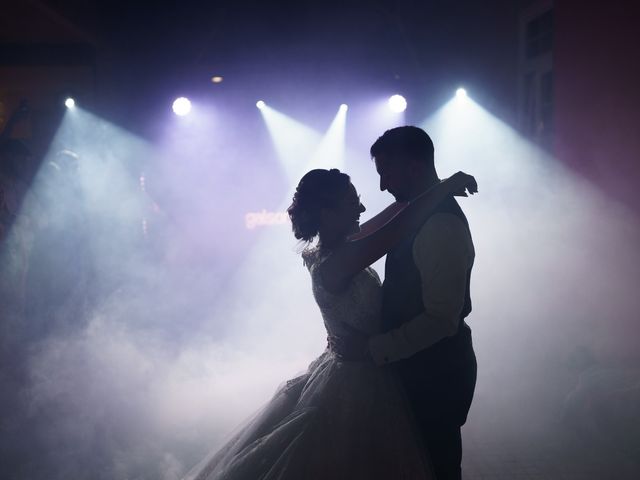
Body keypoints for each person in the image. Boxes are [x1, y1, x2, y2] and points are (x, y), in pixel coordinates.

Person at [181, 164, 477, 480]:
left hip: (359, 365)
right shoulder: (340, 261)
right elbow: (398, 228)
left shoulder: (338, 249)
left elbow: (394, 217)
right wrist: (443, 187)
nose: (362, 207)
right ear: (327, 212)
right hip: (358, 377)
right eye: (352, 203)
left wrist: (432, 188)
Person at [333, 126, 477, 480]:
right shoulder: (413, 216)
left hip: (435, 377)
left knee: (434, 467)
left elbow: (442, 319)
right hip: (411, 371)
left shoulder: (441, 224)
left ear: (413, 165)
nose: (382, 185)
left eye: (385, 172)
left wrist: (372, 348)